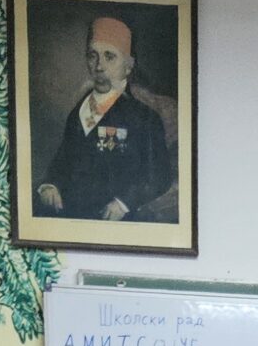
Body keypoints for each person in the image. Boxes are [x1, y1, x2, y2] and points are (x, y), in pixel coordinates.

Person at [34, 16, 173, 223]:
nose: (99, 66)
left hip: (115, 221)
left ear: (128, 66)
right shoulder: (79, 111)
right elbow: (63, 160)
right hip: (70, 216)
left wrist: (124, 203)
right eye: (93, 56)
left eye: (110, 57)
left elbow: (160, 176)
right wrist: (50, 184)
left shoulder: (145, 118)